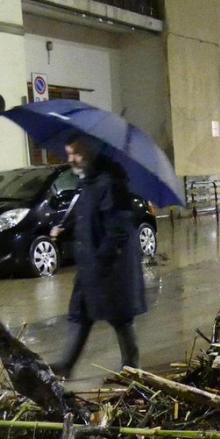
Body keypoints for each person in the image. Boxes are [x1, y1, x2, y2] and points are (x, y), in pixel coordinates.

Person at [50, 136, 146, 378]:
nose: (71, 159)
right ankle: (65, 366)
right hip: (90, 264)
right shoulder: (88, 183)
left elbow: (118, 230)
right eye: (69, 152)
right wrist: (65, 229)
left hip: (111, 267)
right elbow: (86, 217)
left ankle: (131, 368)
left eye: (76, 153)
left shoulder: (111, 184)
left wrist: (101, 261)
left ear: (91, 153)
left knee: (120, 318)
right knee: (80, 314)